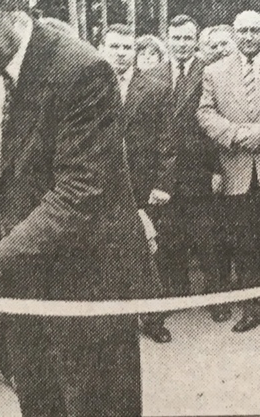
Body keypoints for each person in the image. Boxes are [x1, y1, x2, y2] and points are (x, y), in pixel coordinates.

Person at [0, 0, 152, 416]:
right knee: (39, 405)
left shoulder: (81, 69)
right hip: (19, 286)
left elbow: (79, 190)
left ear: (11, 8)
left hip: (88, 284)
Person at [197, 10, 260, 337]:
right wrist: (234, 135)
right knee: (244, 244)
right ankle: (253, 309)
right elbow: (205, 112)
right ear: (234, 34)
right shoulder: (214, 71)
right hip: (236, 171)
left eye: (255, 30)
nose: (248, 37)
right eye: (242, 31)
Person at [152, 15, 232, 322]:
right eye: (176, 38)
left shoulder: (209, 71)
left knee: (208, 237)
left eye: (187, 38)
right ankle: (177, 291)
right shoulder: (154, 73)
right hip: (165, 171)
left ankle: (217, 298)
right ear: (167, 39)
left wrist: (217, 169)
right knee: (170, 235)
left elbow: (217, 121)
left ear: (196, 40)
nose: (182, 44)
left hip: (200, 168)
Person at [100, 24, 175, 344]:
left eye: (127, 47)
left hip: (142, 187)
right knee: (110, 255)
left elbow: (167, 141)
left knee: (148, 252)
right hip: (102, 185)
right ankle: (118, 320)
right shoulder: (89, 87)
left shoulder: (156, 88)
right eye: (114, 47)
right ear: (101, 49)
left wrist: (163, 183)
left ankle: (153, 319)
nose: (121, 53)